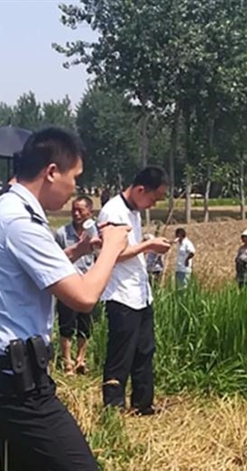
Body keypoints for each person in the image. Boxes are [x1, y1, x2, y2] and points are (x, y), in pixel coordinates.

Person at [0, 127, 129, 471]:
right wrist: (113, 248)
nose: (75, 190)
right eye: (75, 178)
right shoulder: (21, 223)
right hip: (16, 385)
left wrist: (80, 251)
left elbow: (26, 271)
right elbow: (84, 297)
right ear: (52, 171)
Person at [98, 166, 171, 415]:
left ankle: (143, 403)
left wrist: (145, 245)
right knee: (121, 354)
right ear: (141, 190)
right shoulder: (113, 212)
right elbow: (112, 254)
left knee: (144, 351)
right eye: (153, 198)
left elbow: (130, 249)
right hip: (121, 295)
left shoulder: (134, 212)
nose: (153, 204)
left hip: (140, 293)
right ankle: (113, 407)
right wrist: (148, 246)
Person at [54, 195, 97, 375]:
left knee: (85, 325)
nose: (76, 214)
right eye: (74, 210)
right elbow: (54, 259)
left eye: (81, 210)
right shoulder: (61, 233)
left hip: (88, 285)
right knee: (66, 325)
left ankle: (81, 359)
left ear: (90, 212)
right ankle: (67, 362)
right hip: (68, 286)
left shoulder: (95, 234)